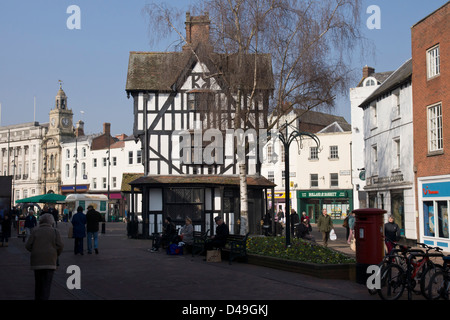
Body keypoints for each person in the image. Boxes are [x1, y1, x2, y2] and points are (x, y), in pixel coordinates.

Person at [25, 213, 64, 300]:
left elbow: (28, 245)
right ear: (52, 222)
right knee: (46, 284)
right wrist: (56, 253)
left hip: (37, 261)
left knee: (38, 284)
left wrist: (35, 250)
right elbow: (60, 245)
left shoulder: (35, 231)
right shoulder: (55, 231)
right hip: (50, 261)